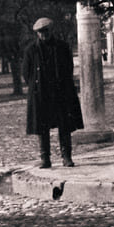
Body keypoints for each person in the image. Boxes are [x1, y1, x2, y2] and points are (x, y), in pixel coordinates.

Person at [21, 17, 84, 168]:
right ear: (36, 33)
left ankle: (66, 157)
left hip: (60, 92)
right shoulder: (31, 50)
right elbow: (26, 72)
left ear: (51, 30)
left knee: (65, 126)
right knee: (42, 128)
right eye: (40, 32)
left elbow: (68, 68)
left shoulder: (62, 47)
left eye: (46, 31)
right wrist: (35, 85)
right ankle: (45, 159)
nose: (43, 35)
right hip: (40, 94)